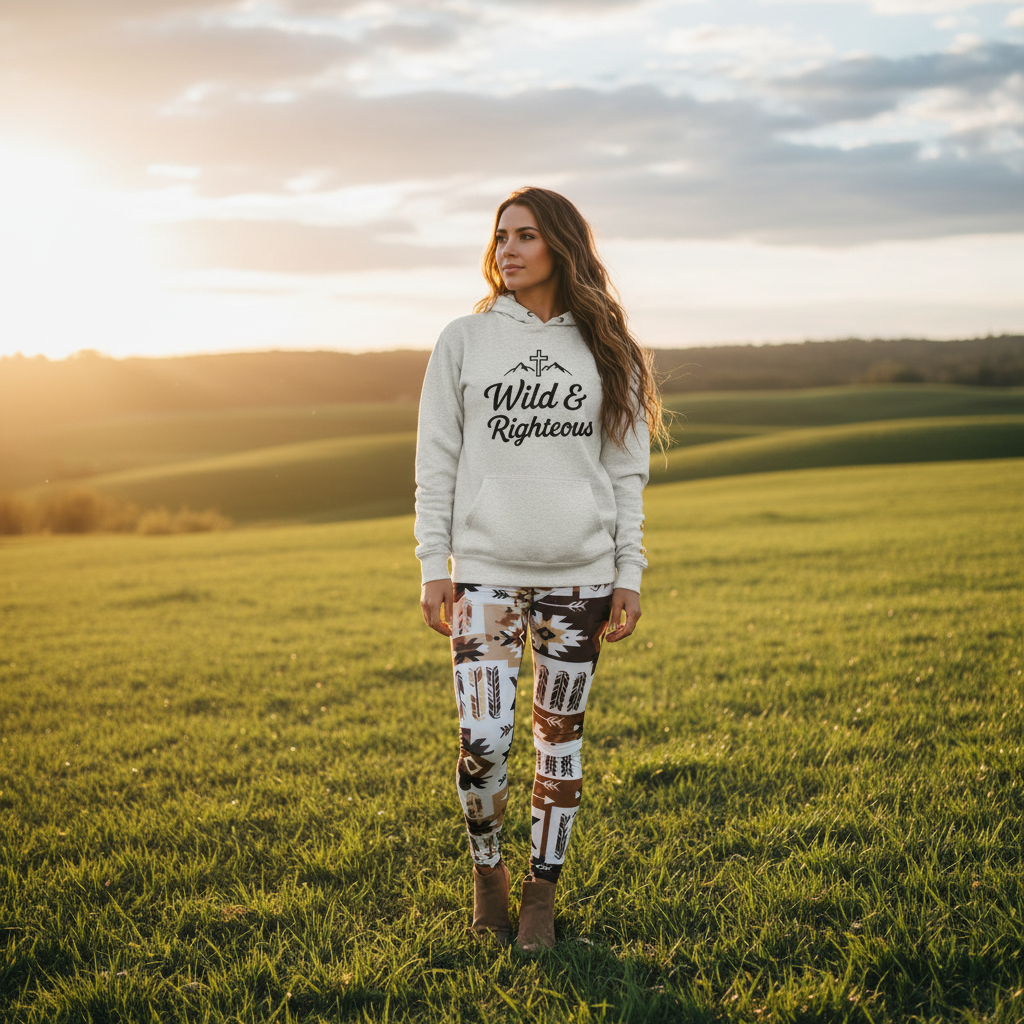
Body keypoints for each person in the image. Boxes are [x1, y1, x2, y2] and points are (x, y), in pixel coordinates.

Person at [414, 186, 665, 951]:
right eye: (501, 237)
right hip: (483, 574)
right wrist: (433, 562)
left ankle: (540, 897)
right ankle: (487, 871)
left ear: (561, 244)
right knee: (483, 744)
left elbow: (625, 473)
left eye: (525, 235)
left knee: (560, 743)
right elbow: (437, 459)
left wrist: (629, 571)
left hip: (580, 581)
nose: (509, 249)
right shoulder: (464, 339)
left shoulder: (608, 347)